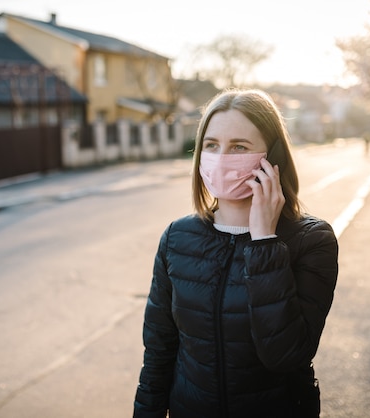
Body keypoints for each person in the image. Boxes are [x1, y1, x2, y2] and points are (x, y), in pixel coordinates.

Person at [133, 88, 339, 418]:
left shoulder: (312, 241)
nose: (221, 158)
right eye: (211, 146)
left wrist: (264, 243)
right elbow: (158, 353)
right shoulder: (177, 238)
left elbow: (285, 356)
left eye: (238, 147)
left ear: (273, 157)